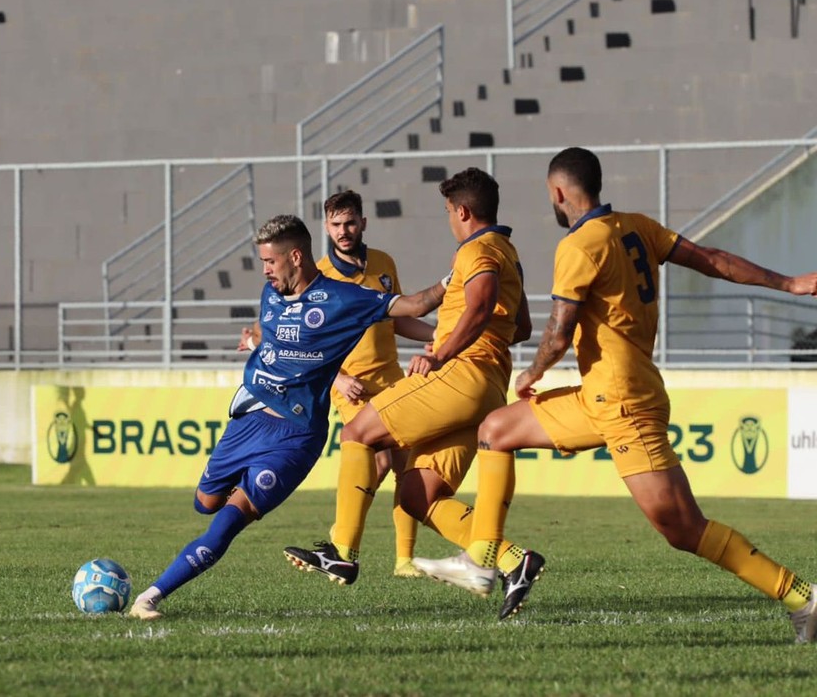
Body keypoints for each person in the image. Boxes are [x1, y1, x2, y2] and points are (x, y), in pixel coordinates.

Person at [424, 147, 817, 643]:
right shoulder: (637, 226)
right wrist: (789, 282)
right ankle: (483, 558)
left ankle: (802, 596)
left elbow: (560, 330)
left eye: (551, 194)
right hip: (600, 398)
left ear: (559, 192)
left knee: (682, 528)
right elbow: (712, 259)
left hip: (625, 404)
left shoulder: (577, 247)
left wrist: (533, 372)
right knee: (496, 430)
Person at [129, 214, 449, 620]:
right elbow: (276, 335)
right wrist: (255, 341)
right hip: (246, 420)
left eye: (270, 262)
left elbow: (416, 305)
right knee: (205, 503)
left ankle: (149, 598)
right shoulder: (271, 294)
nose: (265, 271)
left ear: (294, 256)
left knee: (228, 522)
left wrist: (456, 277)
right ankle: (234, 496)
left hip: (295, 436)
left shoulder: (344, 299)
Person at [283, 168, 545, 621]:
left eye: (448, 211)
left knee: (358, 433)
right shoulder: (509, 251)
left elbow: (479, 306)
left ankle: (342, 550)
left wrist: (442, 351)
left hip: (461, 375)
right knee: (417, 495)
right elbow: (519, 326)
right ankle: (511, 560)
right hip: (489, 384)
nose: (448, 219)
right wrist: (454, 334)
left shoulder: (477, 248)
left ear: (461, 211)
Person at [240, 190, 435, 577]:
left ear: (363, 222)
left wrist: (440, 337)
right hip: (350, 386)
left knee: (403, 464)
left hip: (392, 377)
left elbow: (395, 318)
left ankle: (403, 560)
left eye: (349, 223)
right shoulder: (318, 274)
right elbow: (286, 337)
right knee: (373, 460)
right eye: (335, 224)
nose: (343, 231)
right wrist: (340, 379)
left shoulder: (383, 263)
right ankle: (343, 548)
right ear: (325, 228)